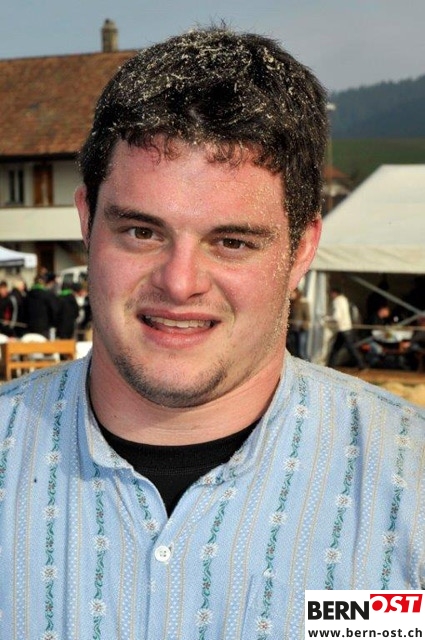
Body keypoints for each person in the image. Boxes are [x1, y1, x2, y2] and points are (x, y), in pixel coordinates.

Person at [0, 27, 424, 640]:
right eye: (142, 232)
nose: (180, 283)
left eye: (231, 242)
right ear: (87, 221)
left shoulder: (410, 483)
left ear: (302, 248)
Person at [326, 286, 366, 369]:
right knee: (340, 348)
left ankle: (362, 364)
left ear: (334, 293)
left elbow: (337, 317)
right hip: (347, 327)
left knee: (349, 348)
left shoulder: (337, 301)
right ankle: (330, 365)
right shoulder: (344, 300)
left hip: (342, 328)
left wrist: (326, 318)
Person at [286, 287, 311, 360]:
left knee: (301, 350)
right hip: (293, 330)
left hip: (301, 330)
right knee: (293, 350)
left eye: (292, 293)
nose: (291, 295)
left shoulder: (304, 303)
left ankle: (306, 364)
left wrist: (300, 323)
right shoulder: (290, 304)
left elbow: (308, 318)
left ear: (297, 293)